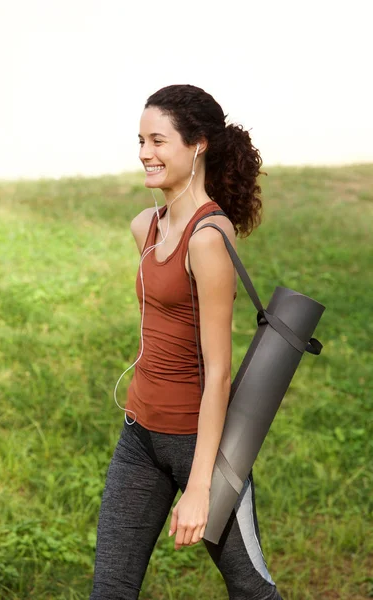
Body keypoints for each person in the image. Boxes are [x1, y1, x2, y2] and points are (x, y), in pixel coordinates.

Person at [89, 84, 282, 600]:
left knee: (252, 590)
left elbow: (218, 371)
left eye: (157, 140)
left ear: (196, 145)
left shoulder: (208, 238)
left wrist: (200, 487)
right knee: (110, 589)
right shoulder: (144, 228)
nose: (144, 153)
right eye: (140, 140)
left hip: (203, 445)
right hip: (140, 437)